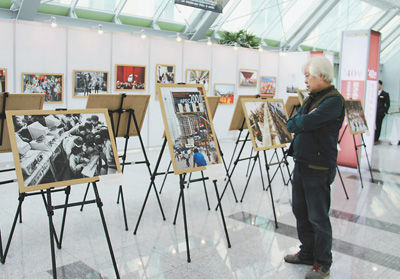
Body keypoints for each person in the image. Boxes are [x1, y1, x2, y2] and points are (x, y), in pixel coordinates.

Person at [285, 56, 345, 279]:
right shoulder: (312, 98)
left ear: (322, 76)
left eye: (308, 75)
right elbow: (293, 123)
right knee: (300, 211)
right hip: (301, 162)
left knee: (318, 217)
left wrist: (302, 121)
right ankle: (307, 253)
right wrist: (301, 120)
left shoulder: (333, 100)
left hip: (318, 167)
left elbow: (305, 123)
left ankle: (322, 262)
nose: (306, 80)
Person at [374, 80, 390, 144]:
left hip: (380, 113)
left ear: (381, 85)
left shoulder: (385, 94)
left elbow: (388, 104)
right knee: (373, 126)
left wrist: (385, 111)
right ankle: (372, 138)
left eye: (378, 85)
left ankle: (376, 139)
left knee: (378, 125)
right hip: (373, 113)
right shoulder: (374, 93)